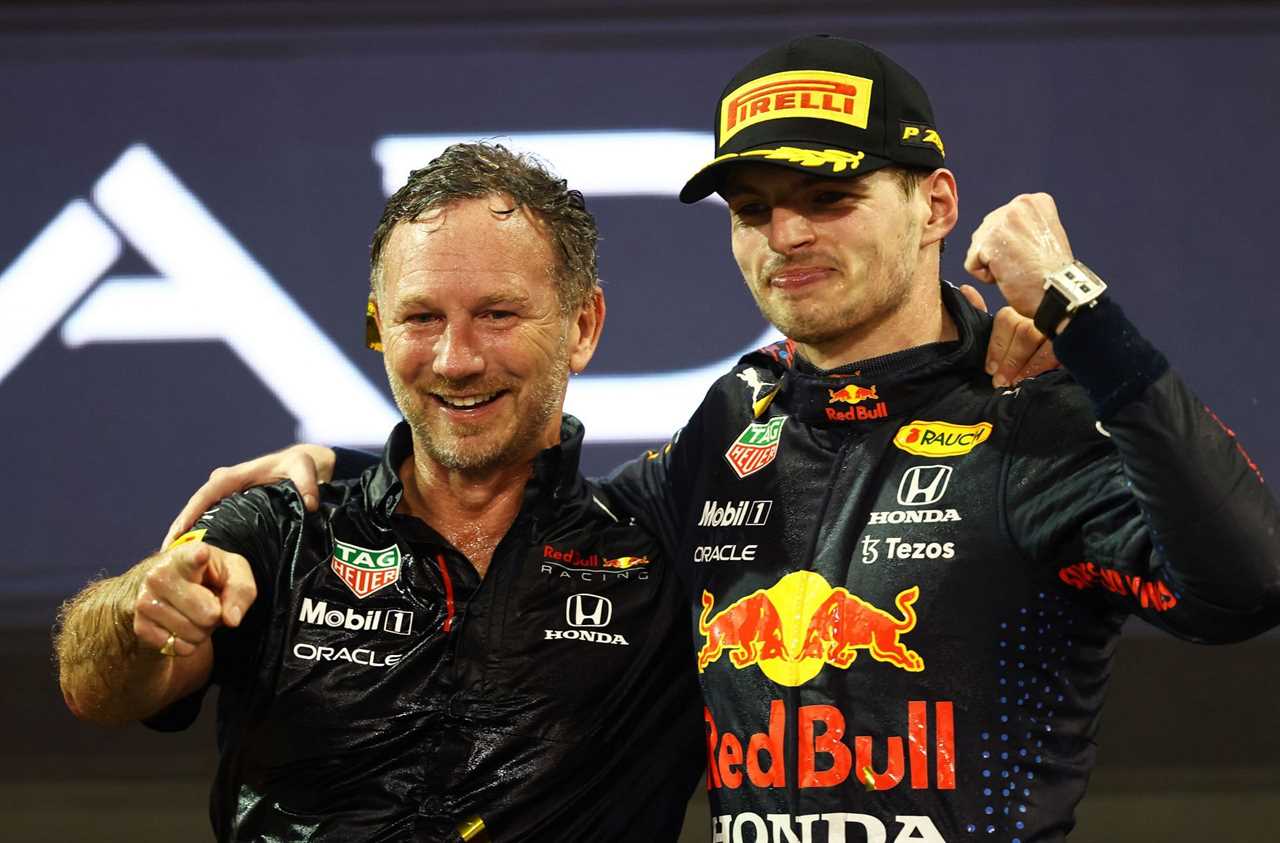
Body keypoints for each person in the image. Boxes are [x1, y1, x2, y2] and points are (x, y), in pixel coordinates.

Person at [155, 36, 1280, 841]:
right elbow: (528, 514)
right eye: (750, 207)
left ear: (935, 205)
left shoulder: (1035, 418)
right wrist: (340, 479)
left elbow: (1244, 586)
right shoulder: (729, 427)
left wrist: (1082, 316)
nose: (784, 232)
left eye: (825, 195)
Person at [54, 143, 707, 842]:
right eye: (421, 317)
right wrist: (139, 609)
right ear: (379, 327)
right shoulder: (287, 526)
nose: (456, 359)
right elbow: (96, 688)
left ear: (582, 326)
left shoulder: (659, 554)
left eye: (498, 315)